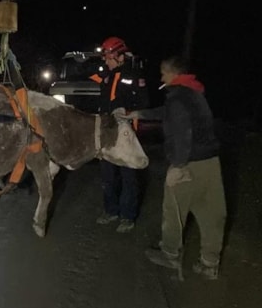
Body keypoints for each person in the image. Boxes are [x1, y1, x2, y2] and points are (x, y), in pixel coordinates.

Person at [143, 56, 226, 279]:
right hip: (210, 162)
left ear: (173, 74)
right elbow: (167, 113)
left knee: (174, 210)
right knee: (212, 213)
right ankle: (210, 263)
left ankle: (169, 253)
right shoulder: (194, 93)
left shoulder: (177, 98)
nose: (161, 77)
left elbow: (182, 134)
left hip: (188, 164)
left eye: (163, 72)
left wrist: (178, 166)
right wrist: (138, 114)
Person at [90, 36, 149, 233]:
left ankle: (127, 216)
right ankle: (111, 210)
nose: (105, 60)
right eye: (104, 57)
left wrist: (128, 111)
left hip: (125, 132)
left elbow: (144, 103)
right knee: (107, 175)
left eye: (108, 56)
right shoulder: (106, 75)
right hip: (107, 131)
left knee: (128, 176)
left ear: (120, 56)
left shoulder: (133, 74)